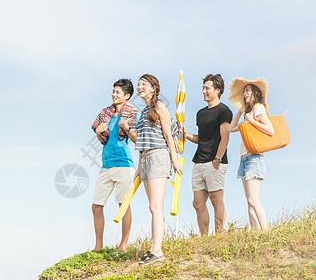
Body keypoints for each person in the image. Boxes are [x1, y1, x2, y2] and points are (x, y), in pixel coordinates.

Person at [134, 74, 183, 265]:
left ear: (154, 88)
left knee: (156, 207)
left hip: (159, 156)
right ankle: (154, 248)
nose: (140, 87)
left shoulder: (160, 107)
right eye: (139, 84)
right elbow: (141, 141)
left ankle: (158, 250)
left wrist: (175, 160)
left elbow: (169, 136)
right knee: (152, 206)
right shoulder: (144, 111)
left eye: (144, 84)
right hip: (146, 159)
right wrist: (139, 167)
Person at [90, 78, 140, 255]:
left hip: (123, 164)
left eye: (118, 92)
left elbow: (136, 139)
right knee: (96, 206)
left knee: (123, 204)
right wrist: (98, 132)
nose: (114, 94)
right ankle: (98, 246)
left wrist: (125, 127)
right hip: (106, 164)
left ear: (127, 96)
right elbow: (101, 137)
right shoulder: (105, 112)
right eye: (113, 91)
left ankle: (123, 245)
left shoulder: (133, 113)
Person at [185, 74, 233, 236]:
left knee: (216, 200)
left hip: (215, 161)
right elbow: (201, 139)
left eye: (207, 88)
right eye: (203, 88)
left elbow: (225, 137)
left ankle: (218, 235)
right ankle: (204, 237)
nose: (204, 91)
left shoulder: (224, 111)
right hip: (198, 162)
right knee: (197, 203)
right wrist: (185, 135)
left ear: (217, 90)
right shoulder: (200, 113)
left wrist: (217, 159)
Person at [228, 78, 274, 231]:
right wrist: (241, 109)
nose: (245, 93)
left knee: (254, 200)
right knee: (249, 201)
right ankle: (254, 234)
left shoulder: (259, 108)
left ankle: (265, 232)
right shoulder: (247, 114)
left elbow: (270, 130)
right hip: (244, 158)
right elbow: (231, 128)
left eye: (248, 90)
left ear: (255, 92)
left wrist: (251, 121)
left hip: (254, 158)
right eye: (244, 91)